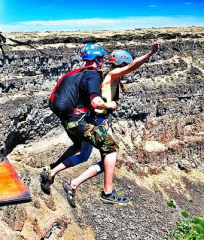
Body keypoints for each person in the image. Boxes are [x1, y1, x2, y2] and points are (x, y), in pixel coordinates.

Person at [61, 39, 163, 207]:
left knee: (89, 156)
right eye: (125, 66)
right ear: (122, 64)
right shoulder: (111, 75)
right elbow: (132, 67)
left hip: (96, 121)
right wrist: (150, 54)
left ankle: (64, 178)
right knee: (111, 153)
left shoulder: (110, 77)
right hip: (97, 123)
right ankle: (106, 192)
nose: (126, 69)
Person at [40, 43, 106, 195]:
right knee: (85, 155)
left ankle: (53, 168)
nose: (102, 61)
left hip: (67, 119)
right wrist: (109, 105)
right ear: (96, 58)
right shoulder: (93, 74)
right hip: (82, 121)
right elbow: (95, 102)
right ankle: (55, 174)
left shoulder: (79, 73)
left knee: (77, 145)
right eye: (101, 58)